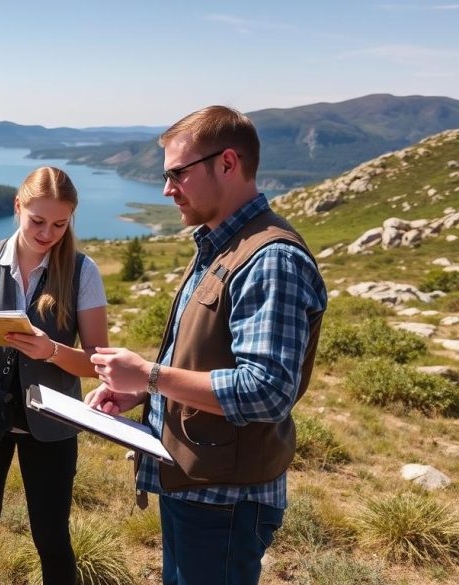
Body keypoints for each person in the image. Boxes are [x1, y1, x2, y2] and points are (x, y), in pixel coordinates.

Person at [85, 106, 327, 585]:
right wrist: (144, 393)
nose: (167, 188)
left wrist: (151, 375)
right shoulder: (222, 246)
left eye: (178, 173)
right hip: (193, 484)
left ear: (228, 164)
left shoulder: (269, 259)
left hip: (226, 502)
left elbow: (267, 390)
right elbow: (207, 360)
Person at [0, 166, 109, 585]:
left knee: (51, 534)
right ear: (17, 206)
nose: (47, 233)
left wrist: (51, 350)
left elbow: (97, 363)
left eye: (60, 223)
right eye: (37, 220)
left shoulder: (82, 271)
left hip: (53, 423)